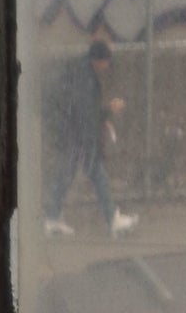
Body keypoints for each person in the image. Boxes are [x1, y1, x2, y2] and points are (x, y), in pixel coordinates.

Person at [42, 36, 138, 238]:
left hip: (71, 134)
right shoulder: (86, 78)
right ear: (99, 60)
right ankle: (111, 219)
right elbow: (85, 113)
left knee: (67, 175)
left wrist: (100, 119)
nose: (107, 65)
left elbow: (82, 110)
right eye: (106, 61)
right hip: (79, 138)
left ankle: (52, 218)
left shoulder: (81, 71)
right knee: (96, 176)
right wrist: (108, 112)